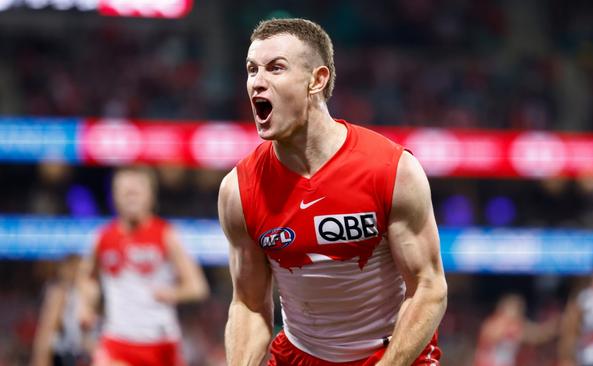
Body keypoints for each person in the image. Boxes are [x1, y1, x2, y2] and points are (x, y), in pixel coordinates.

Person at [219, 18, 447, 365]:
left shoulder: (391, 169)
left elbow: (429, 289)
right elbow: (249, 304)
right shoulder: (238, 189)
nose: (257, 83)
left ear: (317, 79)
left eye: (275, 68)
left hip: (393, 354)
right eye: (252, 70)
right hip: (300, 355)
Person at [78, 167, 209, 366]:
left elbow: (198, 287)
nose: (131, 198)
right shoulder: (103, 238)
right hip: (117, 341)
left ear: (150, 196)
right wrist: (86, 306)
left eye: (136, 192)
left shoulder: (166, 235)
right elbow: (87, 277)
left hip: (160, 343)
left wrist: (173, 293)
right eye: (125, 192)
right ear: (114, 196)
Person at [31, 253, 93, 366]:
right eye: (80, 270)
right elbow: (47, 330)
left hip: (84, 354)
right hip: (65, 355)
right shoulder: (61, 293)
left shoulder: (90, 294)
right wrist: (40, 359)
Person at [473, 294, 558, 366]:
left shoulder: (517, 325)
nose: (517, 313)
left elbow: (536, 335)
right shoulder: (493, 323)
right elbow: (489, 338)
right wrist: (506, 328)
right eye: (515, 309)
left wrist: (552, 327)